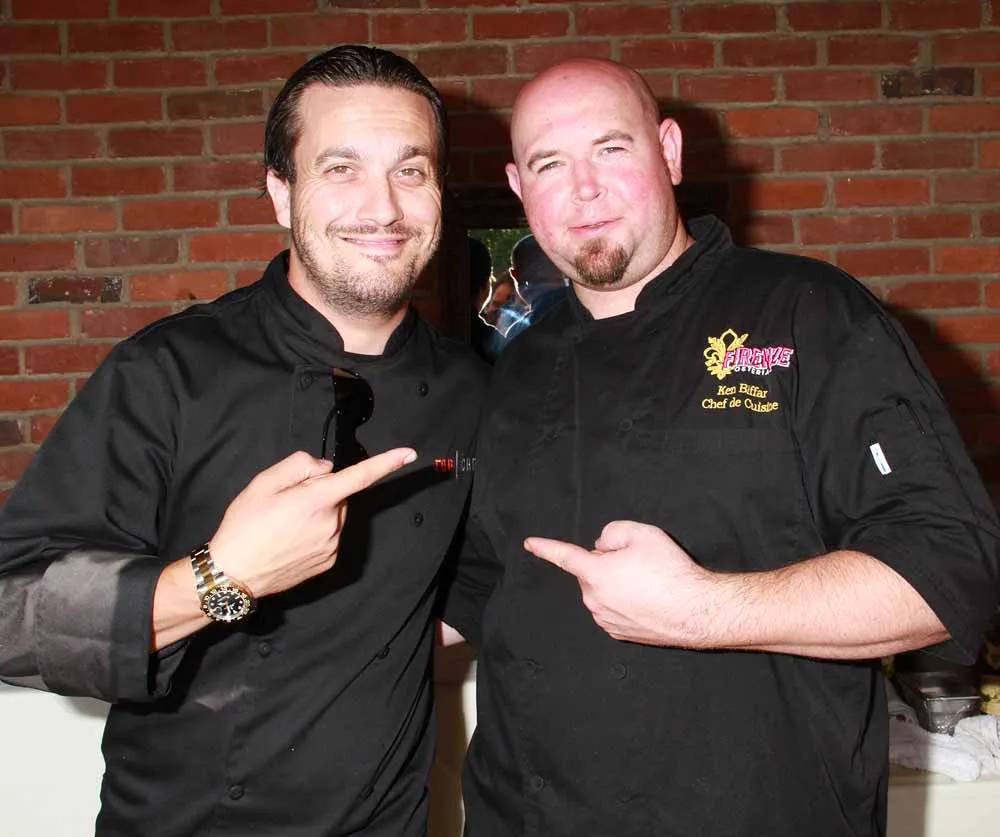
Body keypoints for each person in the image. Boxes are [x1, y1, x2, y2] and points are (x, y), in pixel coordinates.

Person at [442, 58, 1000, 837]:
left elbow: (950, 571)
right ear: (517, 186)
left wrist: (699, 609)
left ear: (669, 152)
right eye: (549, 164)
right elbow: (482, 582)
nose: (584, 188)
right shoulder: (517, 363)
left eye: (611, 149)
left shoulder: (808, 312)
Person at [0, 45, 486, 836]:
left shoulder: (474, 389)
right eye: (340, 169)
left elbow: (487, 579)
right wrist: (219, 578)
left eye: (411, 170)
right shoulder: (168, 371)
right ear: (280, 192)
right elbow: (10, 608)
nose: (383, 207)